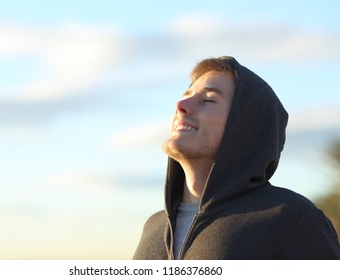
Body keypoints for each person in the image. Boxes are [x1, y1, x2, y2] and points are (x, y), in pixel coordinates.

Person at [133, 56, 340, 260]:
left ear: (245, 128)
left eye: (207, 100)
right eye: (186, 95)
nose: (180, 104)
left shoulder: (291, 219)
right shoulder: (154, 226)